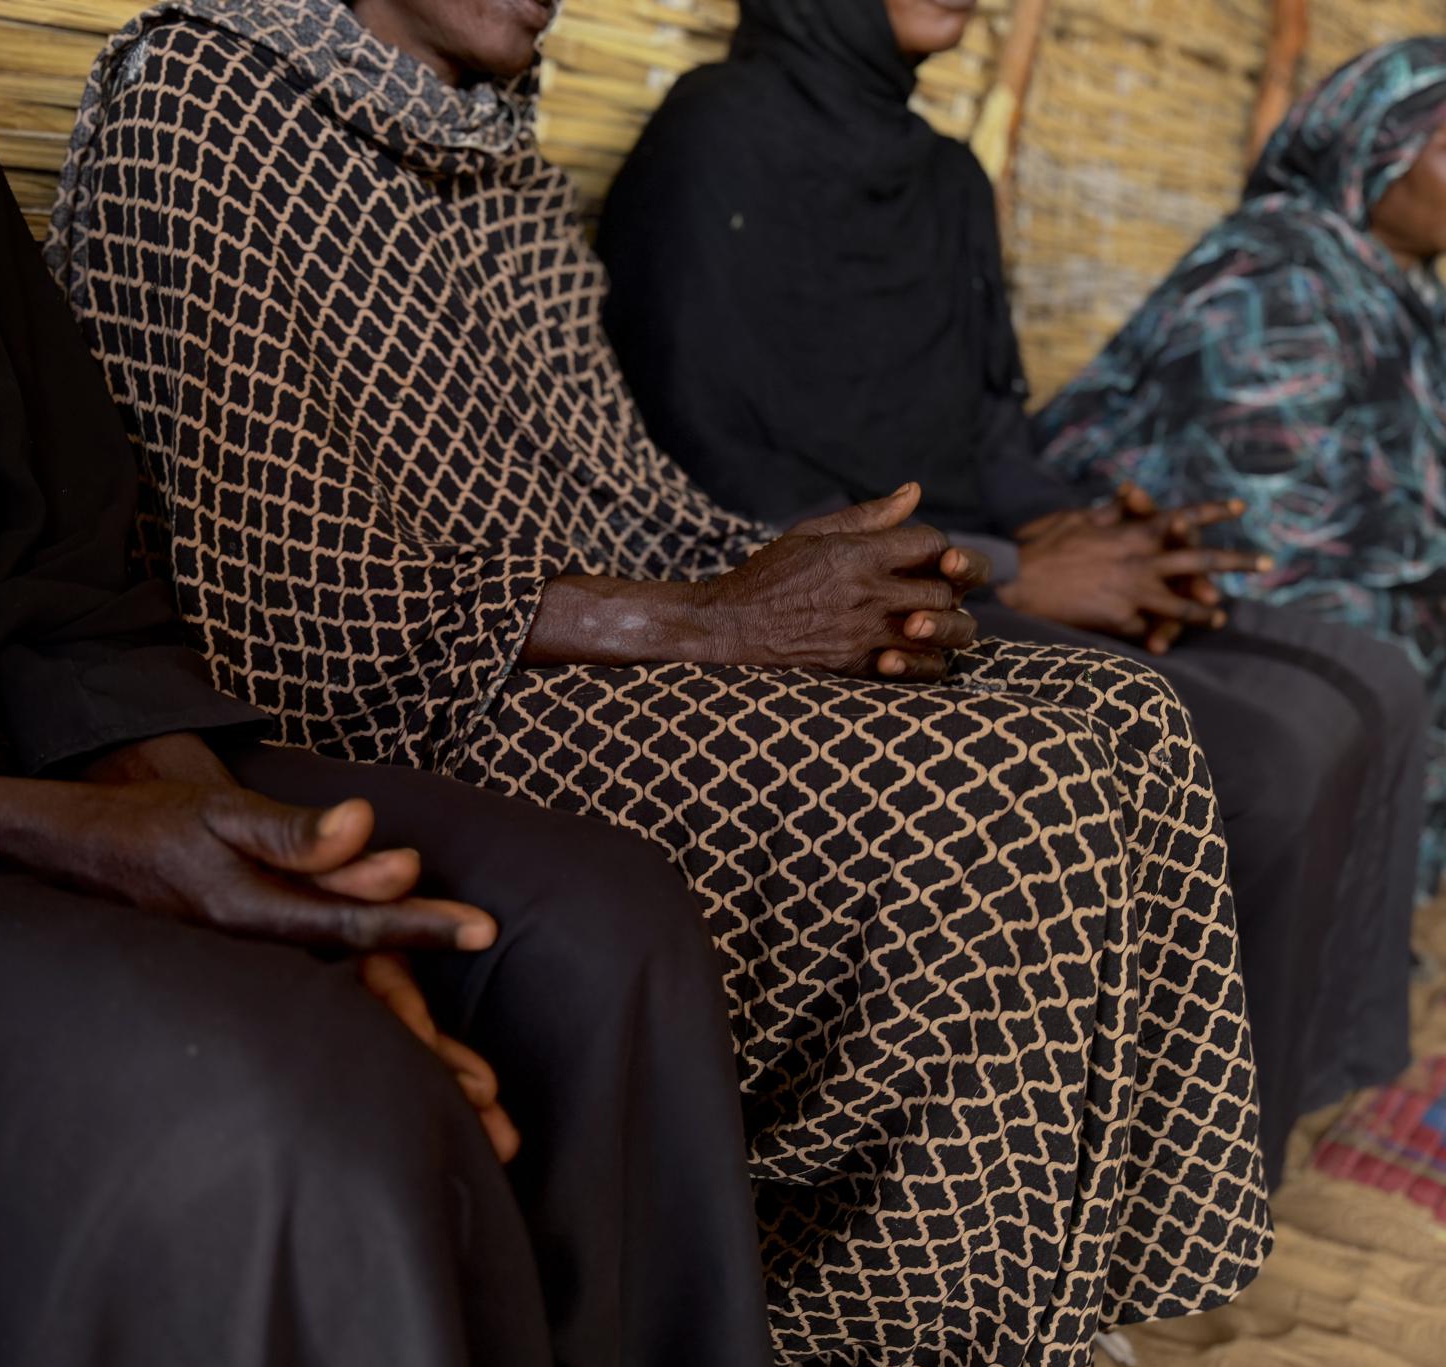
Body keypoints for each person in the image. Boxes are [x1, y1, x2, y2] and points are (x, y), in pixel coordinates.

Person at [0, 3, 784, 1367]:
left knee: (599, 929)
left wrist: (189, 805)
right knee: (280, 1106)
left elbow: (44, 526)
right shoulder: (204, 99)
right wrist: (0, 818)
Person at [49, 0, 1273, 1367]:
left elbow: (630, 494)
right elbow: (256, 593)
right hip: (401, 688)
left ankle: (1016, 1306)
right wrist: (702, 621)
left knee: (1117, 718)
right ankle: (837, 1350)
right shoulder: (198, 92)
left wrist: (795, 568)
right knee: (998, 795)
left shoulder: (496, 153)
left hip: (584, 638)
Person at [593, 0, 1427, 1181]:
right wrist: (1025, 568)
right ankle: (1138, 1171)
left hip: (960, 548)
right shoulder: (717, 137)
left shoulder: (946, 178)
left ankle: (1261, 1118)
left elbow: (990, 427)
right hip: (823, 585)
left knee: (1365, 680)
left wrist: (1083, 527)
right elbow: (710, 479)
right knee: (1255, 757)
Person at [1035, 36, 1446, 900]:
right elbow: (1249, 527)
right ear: (1370, 149)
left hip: (1340, 610)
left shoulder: (1406, 295)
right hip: (1201, 615)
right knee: (1370, 681)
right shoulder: (1276, 273)